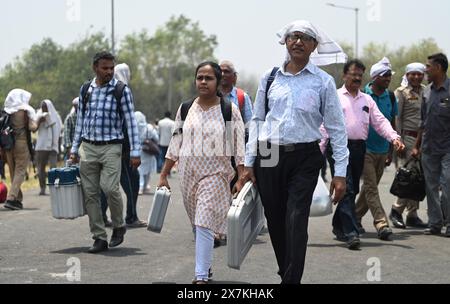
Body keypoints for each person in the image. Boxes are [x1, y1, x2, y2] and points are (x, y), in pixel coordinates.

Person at [237, 20, 349, 284]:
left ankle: (291, 280)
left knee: (296, 218)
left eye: (305, 38)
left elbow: (337, 128)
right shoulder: (270, 76)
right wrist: (248, 162)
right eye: (293, 37)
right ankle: (286, 270)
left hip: (305, 156)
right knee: (275, 220)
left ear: (314, 46)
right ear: (285, 42)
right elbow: (257, 121)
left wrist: (340, 173)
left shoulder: (323, 82)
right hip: (269, 154)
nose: (298, 42)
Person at [158, 61, 245, 284]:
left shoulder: (229, 110)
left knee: (204, 220)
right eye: (200, 77)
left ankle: (200, 277)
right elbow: (176, 141)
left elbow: (238, 145)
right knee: (198, 223)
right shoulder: (186, 108)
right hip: (188, 174)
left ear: (218, 82)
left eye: (208, 78)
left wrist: (242, 175)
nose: (203, 82)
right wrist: (164, 174)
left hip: (216, 174)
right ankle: (205, 267)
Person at [322, 59, 404, 249]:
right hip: (339, 148)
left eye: (360, 75)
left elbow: (381, 121)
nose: (357, 78)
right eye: (354, 74)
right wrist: (319, 149)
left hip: (359, 148)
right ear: (344, 76)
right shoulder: (334, 97)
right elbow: (324, 125)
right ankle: (351, 233)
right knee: (348, 187)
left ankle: (338, 225)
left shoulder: (367, 100)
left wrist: (394, 138)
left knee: (353, 190)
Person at [70, 52, 141, 254]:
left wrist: (135, 151)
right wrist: (74, 149)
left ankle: (119, 225)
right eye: (105, 68)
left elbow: (130, 122)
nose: (109, 71)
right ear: (95, 68)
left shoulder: (121, 90)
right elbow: (80, 122)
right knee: (91, 195)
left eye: (112, 68)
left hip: (112, 147)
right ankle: (99, 237)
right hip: (88, 147)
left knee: (110, 189)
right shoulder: (86, 90)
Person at [355, 57, 398, 241]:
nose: (388, 79)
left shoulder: (390, 96)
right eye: (385, 76)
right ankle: (381, 223)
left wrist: (391, 151)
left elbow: (391, 122)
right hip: (365, 150)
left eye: (389, 76)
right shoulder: (362, 95)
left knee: (368, 189)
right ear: (375, 78)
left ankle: (353, 217)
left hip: (382, 151)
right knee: (371, 188)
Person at [100, 63, 145, 229]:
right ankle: (131, 217)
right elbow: (127, 122)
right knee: (133, 182)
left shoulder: (105, 90)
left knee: (106, 184)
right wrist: (131, 149)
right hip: (122, 147)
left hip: (104, 147)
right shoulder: (123, 90)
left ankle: (102, 216)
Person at [412, 53, 450, 237]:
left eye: (428, 66)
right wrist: (416, 146)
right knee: (431, 186)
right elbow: (422, 121)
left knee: (447, 183)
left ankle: (449, 223)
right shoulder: (426, 91)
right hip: (429, 148)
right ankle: (435, 223)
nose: (425, 70)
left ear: (439, 68)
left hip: (448, 149)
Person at [389, 63, 428, 229]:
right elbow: (398, 118)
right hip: (408, 139)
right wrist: (399, 142)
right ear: (407, 75)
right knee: (408, 176)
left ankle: (412, 214)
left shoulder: (427, 90)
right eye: (413, 74)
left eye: (419, 74)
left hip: (424, 140)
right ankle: (396, 210)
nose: (416, 77)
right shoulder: (401, 92)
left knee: (418, 178)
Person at [3, 89, 38, 210]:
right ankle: (11, 198)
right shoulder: (25, 111)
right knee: (20, 170)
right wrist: (38, 120)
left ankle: (18, 199)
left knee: (13, 171)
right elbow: (33, 127)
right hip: (21, 143)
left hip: (8, 145)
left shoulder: (7, 111)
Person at [35, 99, 62, 196]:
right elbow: (33, 129)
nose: (43, 109)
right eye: (42, 107)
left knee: (53, 167)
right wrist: (39, 121)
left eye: (45, 107)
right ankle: (42, 188)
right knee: (40, 168)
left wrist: (57, 145)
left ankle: (54, 187)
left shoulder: (56, 117)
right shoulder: (38, 115)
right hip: (41, 146)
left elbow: (58, 131)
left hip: (52, 146)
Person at [135, 112, 158, 194]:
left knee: (140, 169)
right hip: (148, 151)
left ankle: (140, 187)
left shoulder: (133, 127)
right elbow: (156, 137)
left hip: (137, 151)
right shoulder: (149, 127)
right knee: (147, 170)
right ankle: (146, 186)